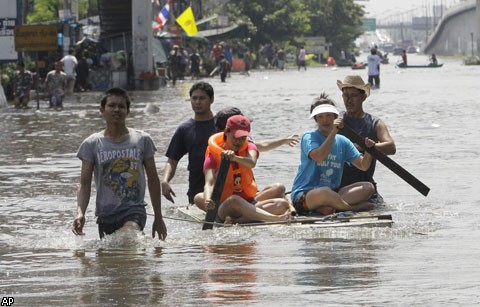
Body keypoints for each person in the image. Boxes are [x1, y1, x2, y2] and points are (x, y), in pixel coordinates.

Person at [72, 87, 167, 240]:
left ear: (127, 111)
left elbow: (153, 179)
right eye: (111, 106)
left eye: (121, 106)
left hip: (134, 210)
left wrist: (158, 217)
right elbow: (84, 184)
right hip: (105, 215)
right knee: (110, 259)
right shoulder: (91, 144)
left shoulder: (142, 140)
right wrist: (80, 212)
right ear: (102, 110)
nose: (116, 109)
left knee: (129, 236)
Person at [194, 115, 291, 224]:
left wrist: (234, 157)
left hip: (250, 201)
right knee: (204, 198)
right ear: (226, 132)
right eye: (236, 137)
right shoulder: (213, 154)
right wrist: (208, 199)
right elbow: (209, 183)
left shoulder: (249, 147)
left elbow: (252, 162)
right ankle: (274, 218)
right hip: (226, 205)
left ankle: (238, 220)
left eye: (243, 138)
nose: (239, 142)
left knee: (282, 203)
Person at [291, 94, 376, 216]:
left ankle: (329, 207)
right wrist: (334, 132)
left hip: (334, 193)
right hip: (306, 194)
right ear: (316, 119)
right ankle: (350, 208)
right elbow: (319, 157)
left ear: (335, 117)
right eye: (320, 117)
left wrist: (369, 150)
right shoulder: (309, 137)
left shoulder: (342, 141)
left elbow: (363, 165)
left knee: (368, 187)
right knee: (324, 193)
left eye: (328, 116)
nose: (325, 120)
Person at [336, 75, 396, 204]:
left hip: (364, 186)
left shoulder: (375, 123)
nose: (348, 100)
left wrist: (370, 148)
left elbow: (391, 147)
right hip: (338, 187)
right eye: (345, 95)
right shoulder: (337, 120)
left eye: (353, 96)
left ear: (363, 97)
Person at [162, 82, 217, 205]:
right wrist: (165, 181)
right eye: (194, 98)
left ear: (211, 100)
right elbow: (172, 161)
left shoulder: (221, 125)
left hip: (223, 187)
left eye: (202, 98)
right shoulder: (185, 129)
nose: (197, 102)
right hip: (197, 191)